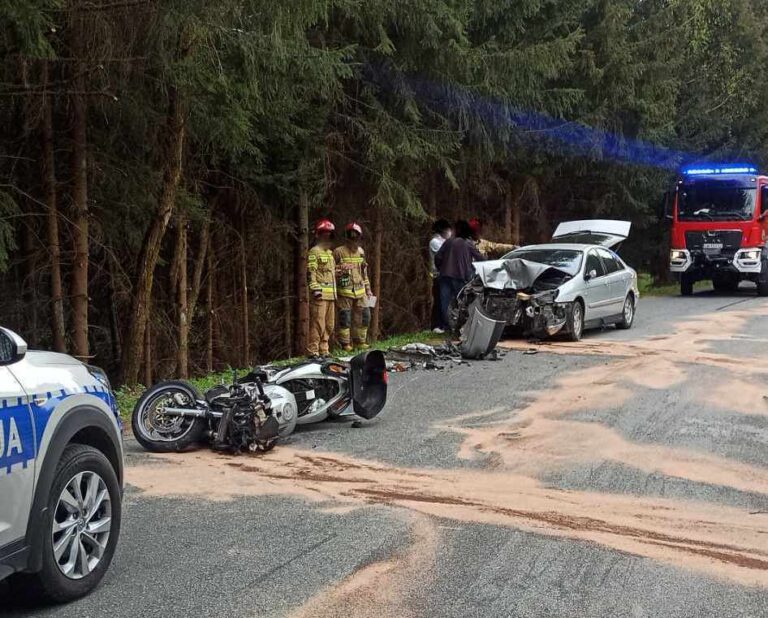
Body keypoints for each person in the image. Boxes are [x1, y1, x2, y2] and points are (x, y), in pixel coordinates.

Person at [434, 220, 483, 331]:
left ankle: (446, 326)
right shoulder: (468, 244)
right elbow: (480, 258)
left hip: (445, 275)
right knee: (461, 302)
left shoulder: (448, 242)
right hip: (460, 276)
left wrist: (440, 268)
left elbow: (438, 257)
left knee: (445, 302)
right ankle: (461, 326)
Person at [334, 222, 372, 352]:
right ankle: (345, 344)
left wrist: (368, 289)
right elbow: (330, 271)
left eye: (356, 237)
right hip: (345, 291)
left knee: (365, 316)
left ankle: (360, 341)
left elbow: (364, 272)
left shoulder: (361, 252)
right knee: (345, 318)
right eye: (351, 237)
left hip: (360, 290)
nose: (353, 240)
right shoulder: (338, 252)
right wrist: (340, 269)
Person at [307, 219, 337, 358]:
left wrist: (340, 271)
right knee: (318, 323)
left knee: (329, 324)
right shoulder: (314, 251)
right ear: (318, 235)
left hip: (332, 294)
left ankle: (324, 349)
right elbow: (311, 271)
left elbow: (329, 272)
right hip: (320, 294)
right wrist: (315, 289)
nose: (327, 236)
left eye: (329, 234)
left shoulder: (330, 253)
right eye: (324, 234)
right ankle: (313, 351)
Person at [428, 219, 453, 333]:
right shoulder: (435, 241)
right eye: (448, 229)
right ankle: (436, 325)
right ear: (442, 230)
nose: (450, 232)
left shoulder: (445, 241)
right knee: (439, 300)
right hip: (438, 275)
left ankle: (444, 324)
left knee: (445, 301)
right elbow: (444, 254)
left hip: (447, 275)